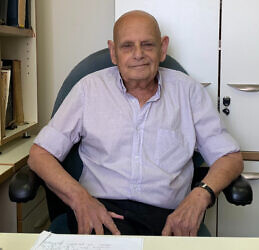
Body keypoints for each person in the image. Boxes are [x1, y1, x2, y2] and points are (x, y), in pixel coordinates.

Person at [28, 10, 243, 236]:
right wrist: (80, 199)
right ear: (113, 52)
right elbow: (40, 155)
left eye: (148, 45)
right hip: (100, 214)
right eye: (127, 46)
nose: (138, 54)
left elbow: (230, 157)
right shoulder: (88, 89)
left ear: (163, 48)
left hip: (168, 220)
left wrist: (201, 195)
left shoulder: (188, 91)